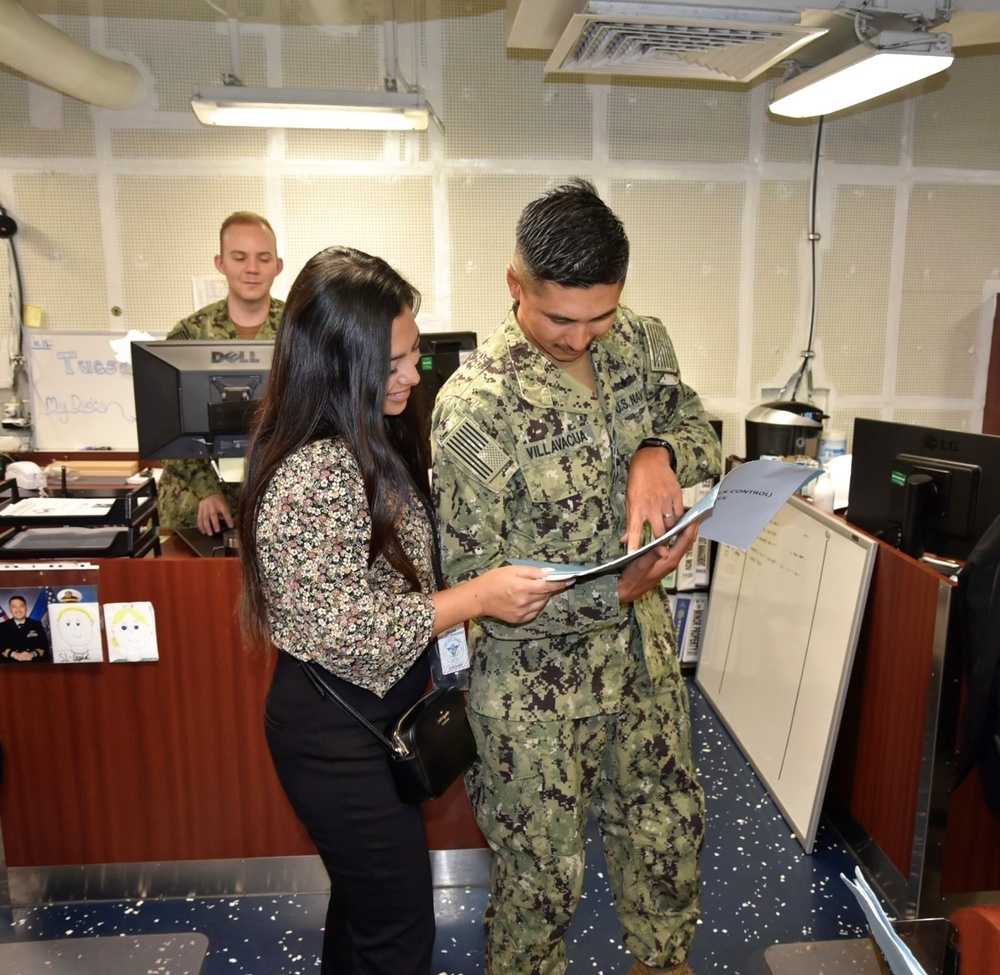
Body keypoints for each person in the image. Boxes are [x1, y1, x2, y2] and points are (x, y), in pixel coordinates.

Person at [237, 245, 569, 975]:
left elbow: (407, 561)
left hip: (369, 713)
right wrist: (477, 598)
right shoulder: (313, 474)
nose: (415, 374)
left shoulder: (368, 435)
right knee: (397, 930)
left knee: (366, 913)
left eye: (415, 352)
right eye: (394, 362)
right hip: (335, 731)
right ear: (339, 364)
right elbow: (352, 629)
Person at [430, 179, 722, 975]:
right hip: (534, 693)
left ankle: (663, 963)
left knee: (665, 833)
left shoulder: (641, 341)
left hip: (644, 661)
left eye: (601, 316)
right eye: (562, 318)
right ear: (514, 283)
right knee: (541, 881)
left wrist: (654, 451)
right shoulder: (474, 406)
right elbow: (475, 583)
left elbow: (701, 435)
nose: (583, 337)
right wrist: (615, 589)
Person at [157, 211, 285, 534]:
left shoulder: (301, 332)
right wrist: (206, 489)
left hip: (281, 493)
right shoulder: (189, 335)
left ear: (278, 266)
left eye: (263, 258)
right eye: (239, 258)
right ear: (220, 263)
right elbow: (167, 432)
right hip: (204, 501)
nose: (252, 269)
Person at [0, 594, 50, 662]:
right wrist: (14, 654)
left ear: (26, 608)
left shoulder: (36, 625)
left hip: (33, 666)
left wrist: (32, 654)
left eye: (21, 606)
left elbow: (45, 647)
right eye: (14, 607)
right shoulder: (2, 627)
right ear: (10, 610)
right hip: (10, 667)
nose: (18, 610)